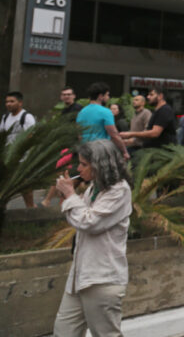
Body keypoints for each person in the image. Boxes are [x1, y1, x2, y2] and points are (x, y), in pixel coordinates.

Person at [52, 139, 133, 337]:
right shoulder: (93, 188)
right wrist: (69, 197)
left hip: (102, 279)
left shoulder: (119, 191)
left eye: (84, 164)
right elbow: (79, 218)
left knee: (105, 334)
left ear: (99, 165)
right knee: (64, 331)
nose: (79, 169)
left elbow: (89, 222)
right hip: (81, 277)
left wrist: (70, 195)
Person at [2, 91, 38, 207]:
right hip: (8, 157)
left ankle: (30, 207)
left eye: (12, 101)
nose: (8, 104)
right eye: (7, 102)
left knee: (24, 183)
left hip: (23, 157)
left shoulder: (26, 117)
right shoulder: (5, 117)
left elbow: (31, 135)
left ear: (20, 103)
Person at [76, 82, 129, 160]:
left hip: (85, 151)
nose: (108, 98)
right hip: (100, 151)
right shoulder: (106, 112)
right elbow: (114, 134)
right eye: (107, 95)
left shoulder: (81, 112)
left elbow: (79, 135)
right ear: (101, 96)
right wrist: (124, 151)